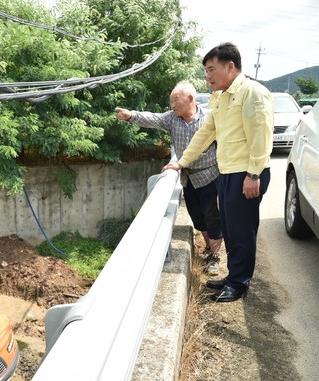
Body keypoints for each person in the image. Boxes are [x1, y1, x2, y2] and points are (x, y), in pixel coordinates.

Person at [163, 42, 273, 302]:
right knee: (231, 228)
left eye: (211, 69)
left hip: (247, 175)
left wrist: (254, 175)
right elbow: (205, 133)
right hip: (227, 173)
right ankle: (234, 276)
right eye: (206, 71)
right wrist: (182, 161)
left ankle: (239, 283)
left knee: (242, 230)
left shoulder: (252, 93)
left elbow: (261, 137)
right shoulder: (221, 97)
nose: (207, 76)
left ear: (230, 66)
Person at [115, 80, 223, 275]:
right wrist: (131, 115)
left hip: (210, 176)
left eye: (176, 99)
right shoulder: (172, 119)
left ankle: (215, 257)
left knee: (212, 217)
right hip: (188, 179)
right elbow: (152, 118)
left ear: (190, 98)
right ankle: (209, 248)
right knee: (198, 219)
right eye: (171, 100)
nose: (172, 104)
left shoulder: (210, 117)